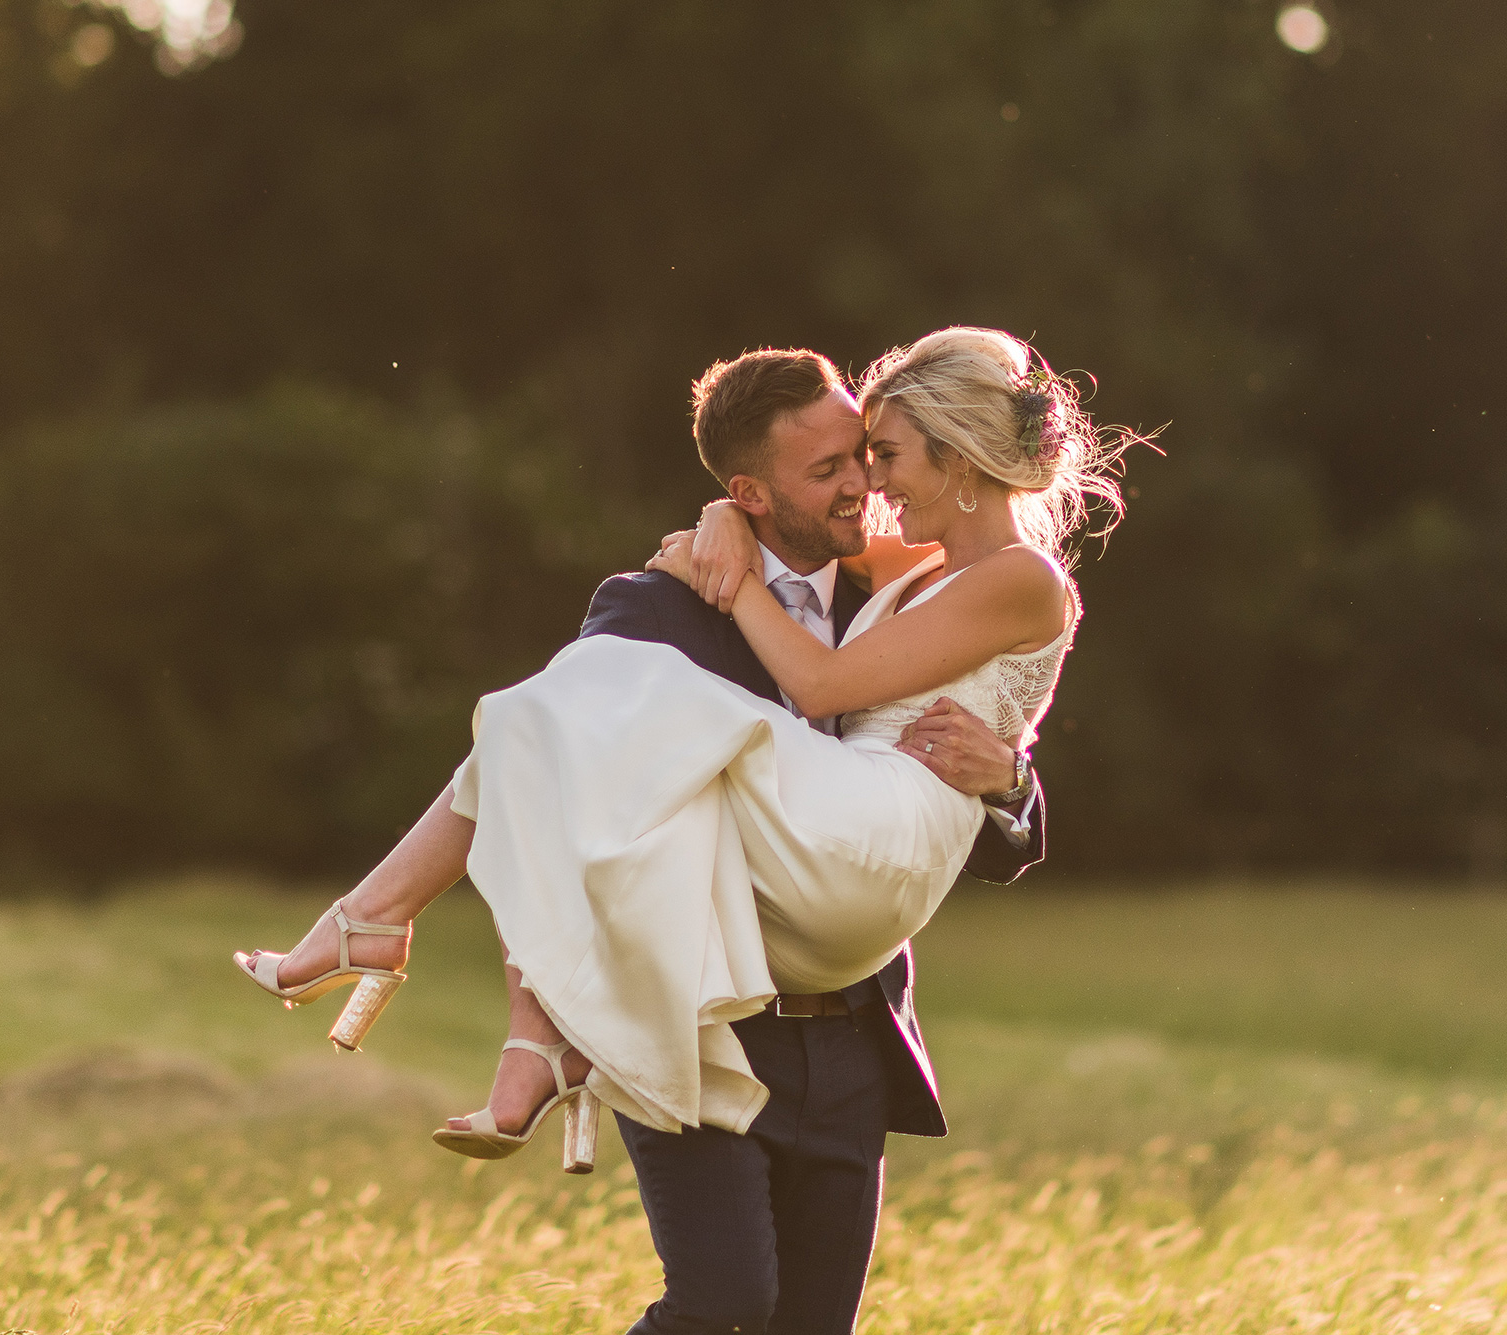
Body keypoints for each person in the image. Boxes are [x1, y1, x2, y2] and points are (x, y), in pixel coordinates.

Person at [236, 327, 1132, 1333]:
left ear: (956, 461)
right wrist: (720, 520)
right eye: (838, 464)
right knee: (567, 710)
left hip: (855, 935)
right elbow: (741, 550)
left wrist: (1008, 777)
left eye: (878, 457)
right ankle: (443, 964)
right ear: (760, 490)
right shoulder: (884, 569)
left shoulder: (1011, 578)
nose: (866, 487)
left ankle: (400, 936)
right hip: (724, 988)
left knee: (576, 709)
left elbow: (826, 682)